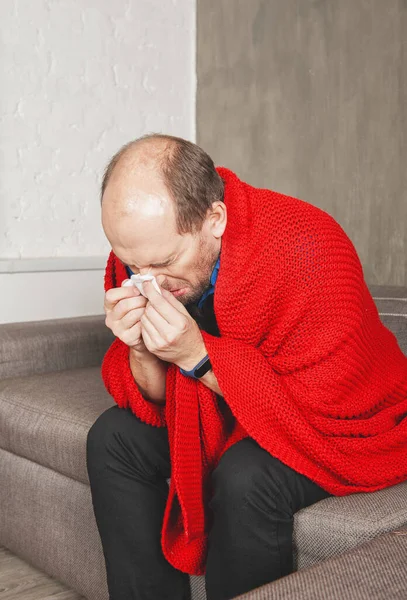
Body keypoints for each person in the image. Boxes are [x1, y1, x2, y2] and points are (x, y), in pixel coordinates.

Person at [86, 133, 407, 600]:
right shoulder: (143, 255)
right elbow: (153, 401)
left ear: (214, 219)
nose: (147, 282)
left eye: (164, 262)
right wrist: (139, 347)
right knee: (113, 438)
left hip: (342, 425)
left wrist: (196, 356)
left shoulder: (307, 246)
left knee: (246, 476)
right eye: (132, 266)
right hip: (224, 407)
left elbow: (325, 408)